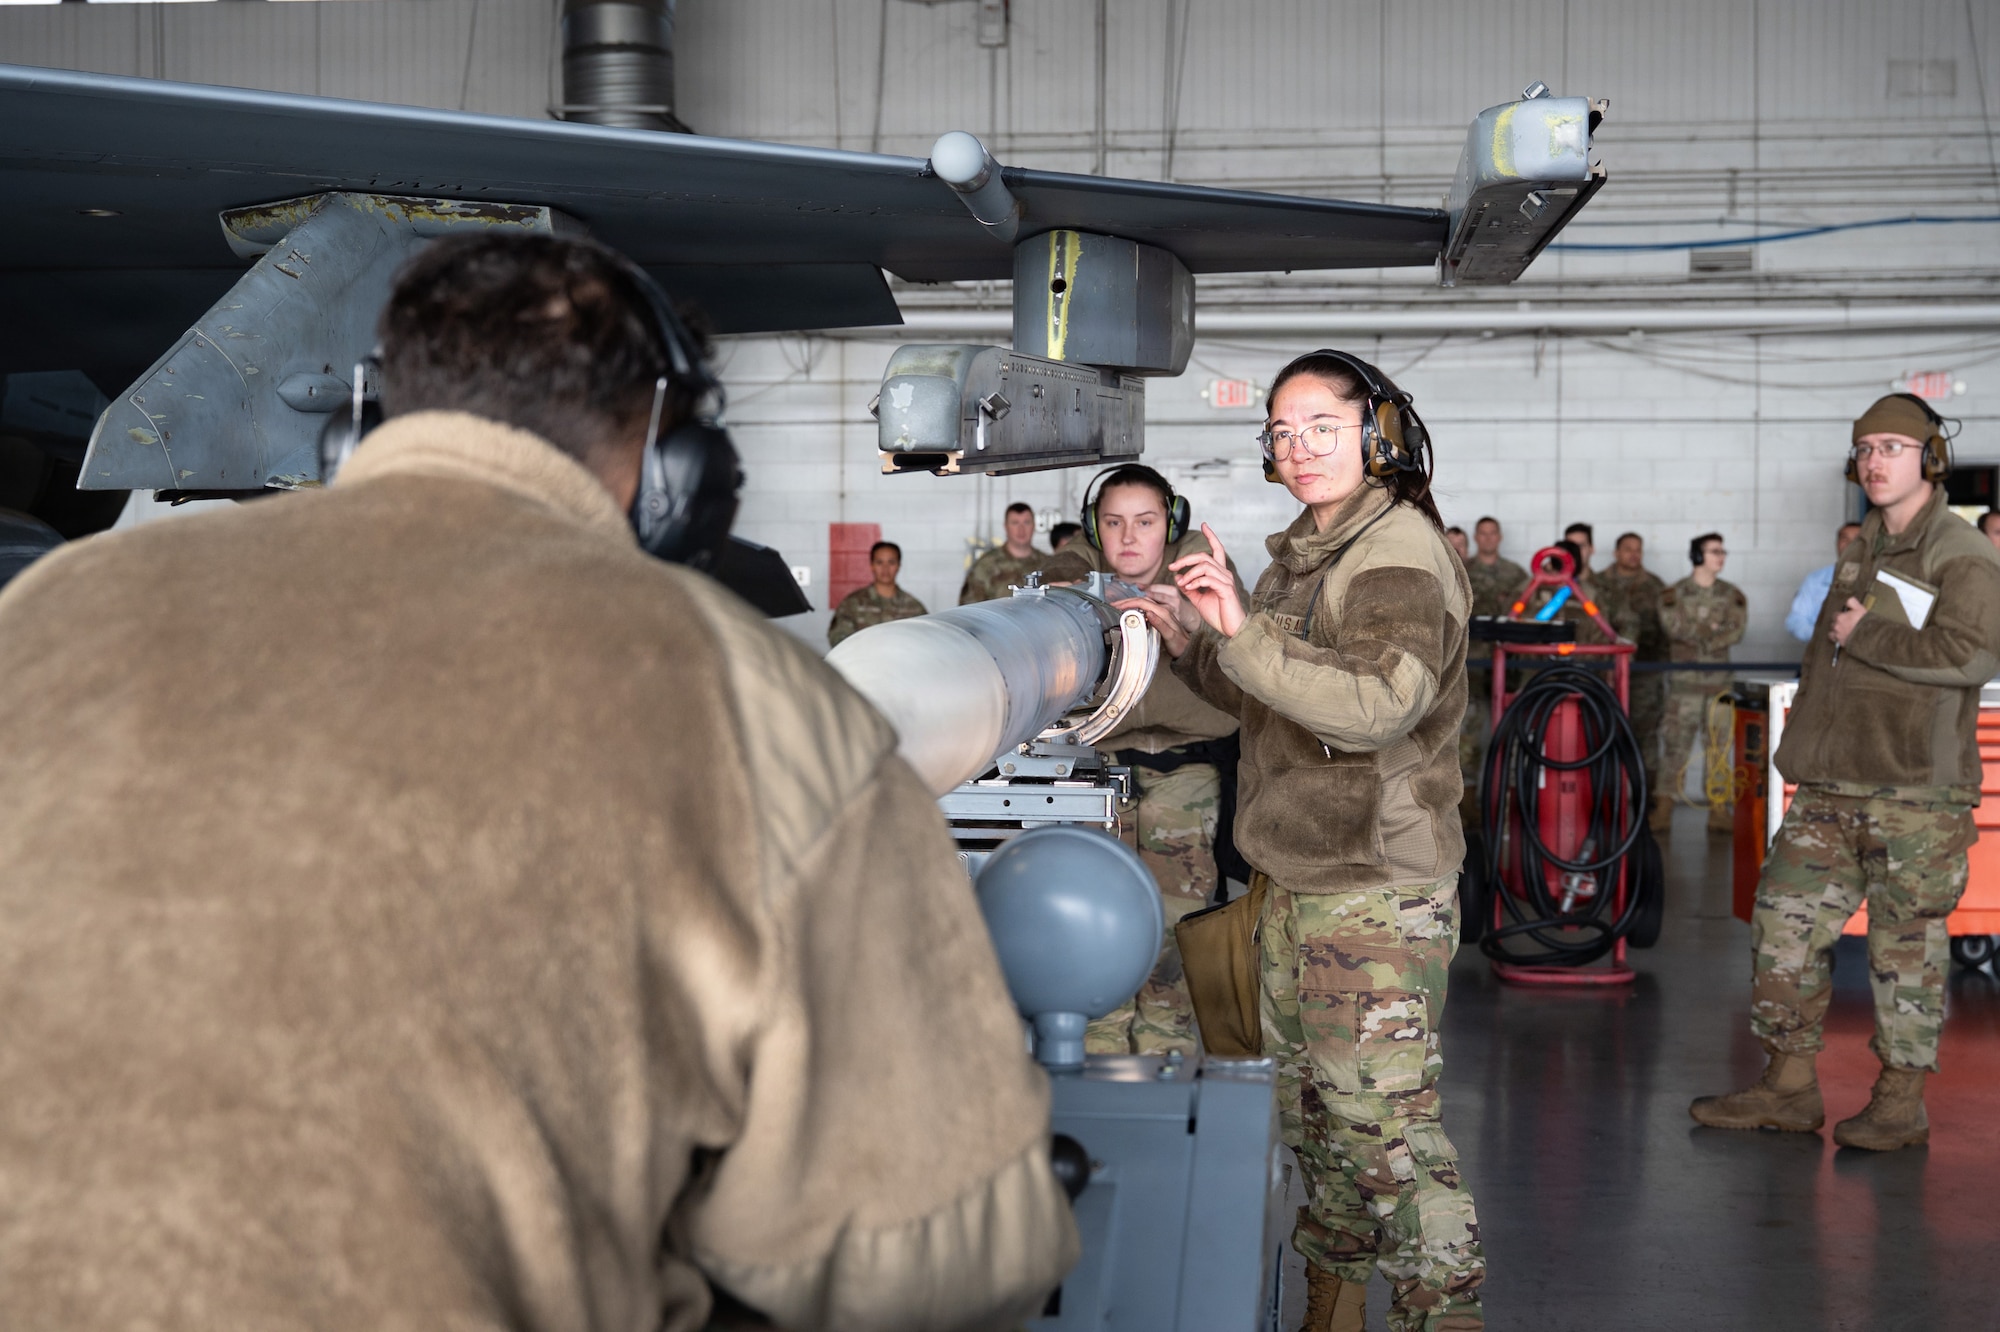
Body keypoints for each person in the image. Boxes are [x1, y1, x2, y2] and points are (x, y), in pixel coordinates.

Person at [0, 234, 1077, 1332]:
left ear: (362, 425)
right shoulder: (747, 699)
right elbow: (936, 1263)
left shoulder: (50, 612)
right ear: (676, 469)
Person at [1129, 350, 1484, 1332]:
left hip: (1372, 888)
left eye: (1320, 426)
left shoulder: (1394, 557)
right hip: (1301, 876)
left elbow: (1374, 705)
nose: (1296, 448)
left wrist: (1239, 630)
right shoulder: (1310, 553)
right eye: (1281, 432)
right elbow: (1269, 699)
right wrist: (1195, 643)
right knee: (1321, 1130)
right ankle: (1329, 1311)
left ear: (1375, 434)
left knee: (1387, 1139)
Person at [1691, 393, 2000, 1151]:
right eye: (1866, 449)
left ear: (1929, 458)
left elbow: (1973, 655)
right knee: (1781, 929)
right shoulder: (1863, 545)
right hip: (1831, 786)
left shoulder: (1962, 554)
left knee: (1905, 951)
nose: (1875, 462)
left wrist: (1872, 633)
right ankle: (1789, 1085)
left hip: (1915, 793)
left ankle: (1899, 1104)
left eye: (1893, 447)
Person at [1037, 464, 1244, 1056]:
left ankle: (1164, 1064)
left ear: (1170, 525)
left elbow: (1248, 665)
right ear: (1094, 528)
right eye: (1114, 523)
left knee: (1174, 934)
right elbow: (1054, 586)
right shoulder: (1077, 580)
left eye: (1146, 522)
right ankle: (1099, 1063)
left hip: (1185, 774)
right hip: (1094, 776)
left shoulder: (1209, 581)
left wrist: (1190, 619)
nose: (1129, 538)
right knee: (1093, 933)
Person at [1659, 532, 1746, 834]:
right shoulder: (1674, 594)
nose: (1721, 557)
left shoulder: (1732, 593)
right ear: (1698, 556)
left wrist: (1700, 636)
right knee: (1675, 747)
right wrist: (1711, 632)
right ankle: (1664, 807)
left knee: (1720, 750)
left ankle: (1719, 809)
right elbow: (1673, 628)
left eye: (1723, 551)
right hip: (1685, 685)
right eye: (1714, 551)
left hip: (1719, 685)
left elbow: (1736, 631)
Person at [1596, 532, 1671, 830]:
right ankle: (1606, 799)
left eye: (1638, 550)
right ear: (1616, 552)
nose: (1634, 555)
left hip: (1645, 672)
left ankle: (1645, 798)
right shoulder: (1600, 583)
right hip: (1605, 671)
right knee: (1602, 732)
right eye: (1628, 549)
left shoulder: (1655, 586)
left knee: (1645, 735)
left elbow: (1665, 630)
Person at [1461, 516, 1528, 816]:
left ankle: (1507, 804)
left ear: (1499, 537)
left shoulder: (1516, 574)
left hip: (1507, 667)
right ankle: (1467, 806)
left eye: (1493, 534)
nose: (1488, 539)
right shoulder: (1464, 571)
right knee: (1468, 739)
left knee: (1507, 736)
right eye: (1483, 534)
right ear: (1477, 537)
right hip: (1472, 666)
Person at [828, 539, 926, 646]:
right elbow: (838, 640)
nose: (885, 569)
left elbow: (924, 641)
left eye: (891, 562)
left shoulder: (914, 607)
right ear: (872, 565)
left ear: (898, 565)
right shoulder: (852, 604)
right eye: (879, 562)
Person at [1785, 521, 1864, 641]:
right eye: (1844, 539)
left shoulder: (1878, 578)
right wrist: (1823, 636)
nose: (1850, 544)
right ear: (1836, 544)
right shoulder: (1815, 580)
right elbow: (1796, 619)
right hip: (1823, 653)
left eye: (1857, 540)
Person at [959, 501, 1044, 602]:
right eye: (1015, 523)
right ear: (1005, 526)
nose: (1021, 529)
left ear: (1034, 526)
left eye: (1026, 522)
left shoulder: (1047, 564)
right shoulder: (986, 565)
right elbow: (969, 609)